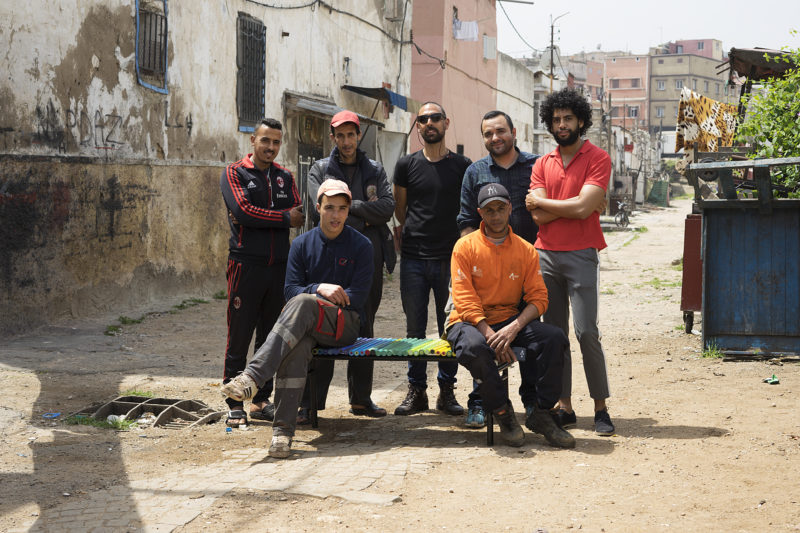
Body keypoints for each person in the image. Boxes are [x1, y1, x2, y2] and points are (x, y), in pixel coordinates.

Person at [221, 180, 374, 458]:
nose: (336, 215)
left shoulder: (361, 245)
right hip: (305, 325)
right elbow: (289, 289)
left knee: (303, 304)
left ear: (349, 211)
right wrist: (320, 288)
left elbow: (359, 297)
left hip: (345, 325)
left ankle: (252, 376)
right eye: (329, 208)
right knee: (299, 345)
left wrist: (313, 297)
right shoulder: (301, 244)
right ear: (318, 209)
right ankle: (282, 433)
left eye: (342, 208)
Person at [445, 183, 573, 448]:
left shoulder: (526, 250)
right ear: (480, 213)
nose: (495, 216)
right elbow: (464, 299)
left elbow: (539, 298)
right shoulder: (464, 247)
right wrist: (491, 335)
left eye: (500, 209)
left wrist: (513, 328)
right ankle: (502, 411)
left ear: (510, 209)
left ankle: (541, 412)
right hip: (469, 321)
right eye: (489, 210)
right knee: (473, 347)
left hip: (508, 320)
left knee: (554, 338)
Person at [525, 88, 616, 436]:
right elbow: (539, 220)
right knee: (555, 335)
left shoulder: (598, 158)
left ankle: (601, 407)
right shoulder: (542, 163)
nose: (562, 124)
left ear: (581, 120)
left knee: (586, 332)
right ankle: (565, 406)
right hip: (545, 256)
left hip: (581, 255)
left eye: (568, 118)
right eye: (556, 119)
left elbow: (577, 209)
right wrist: (580, 204)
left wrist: (553, 204)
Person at [301, 110, 395, 421]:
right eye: (339, 135)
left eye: (350, 134)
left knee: (364, 324)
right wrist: (362, 212)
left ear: (358, 136)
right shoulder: (320, 168)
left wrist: (346, 206)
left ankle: (360, 399)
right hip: (328, 252)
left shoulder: (374, 169)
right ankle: (313, 402)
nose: (346, 141)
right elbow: (319, 212)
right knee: (323, 321)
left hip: (367, 253)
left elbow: (387, 207)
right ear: (333, 138)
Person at [456, 110, 541, 428]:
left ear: (514, 132)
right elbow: (466, 221)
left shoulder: (535, 167)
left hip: (525, 269)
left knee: (530, 341)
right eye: (488, 134)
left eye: (500, 131)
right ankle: (480, 402)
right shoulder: (475, 172)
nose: (495, 138)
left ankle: (532, 404)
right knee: (483, 342)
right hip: (487, 277)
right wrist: (476, 265)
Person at [219, 118, 304, 428]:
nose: (270, 147)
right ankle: (233, 402)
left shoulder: (285, 176)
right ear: (252, 140)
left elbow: (298, 213)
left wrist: (266, 217)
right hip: (245, 265)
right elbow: (242, 211)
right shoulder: (234, 173)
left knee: (270, 335)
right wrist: (282, 218)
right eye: (265, 141)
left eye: (276, 142)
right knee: (239, 334)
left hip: (279, 268)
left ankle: (259, 400)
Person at [392, 102, 471, 417]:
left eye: (435, 118)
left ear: (446, 123)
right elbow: (401, 209)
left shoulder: (462, 166)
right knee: (414, 328)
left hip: (450, 261)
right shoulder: (405, 165)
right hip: (413, 259)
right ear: (419, 127)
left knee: (449, 327)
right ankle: (416, 391)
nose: (429, 123)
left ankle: (447, 392)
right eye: (422, 119)